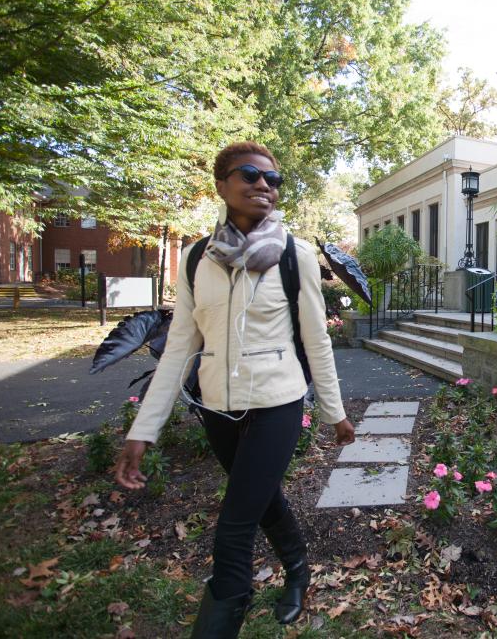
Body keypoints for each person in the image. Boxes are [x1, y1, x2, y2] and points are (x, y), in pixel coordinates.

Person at [114, 141, 355, 638]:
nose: (264, 185)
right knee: (262, 499)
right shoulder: (197, 258)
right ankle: (299, 569)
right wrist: (144, 430)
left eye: (273, 179)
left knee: (234, 525)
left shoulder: (295, 255)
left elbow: (316, 339)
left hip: (277, 403)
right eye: (250, 175)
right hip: (217, 408)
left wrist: (335, 412)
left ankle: (224, 612)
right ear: (221, 184)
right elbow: (180, 346)